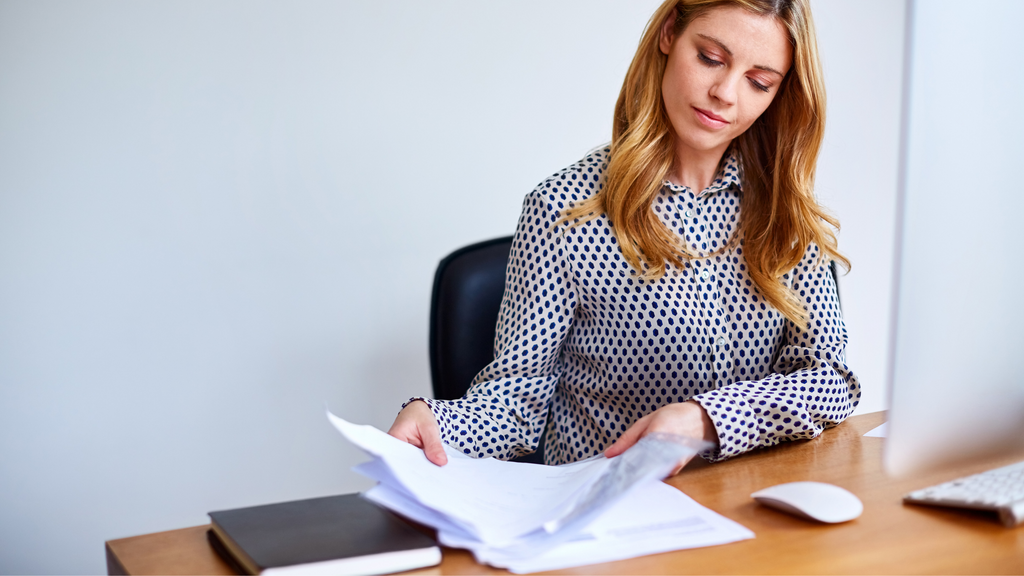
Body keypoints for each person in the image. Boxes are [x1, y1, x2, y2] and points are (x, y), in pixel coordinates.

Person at [389, 0, 859, 469]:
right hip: (607, 518)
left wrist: (706, 419)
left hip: (748, 512)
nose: (726, 93)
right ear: (670, 33)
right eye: (711, 59)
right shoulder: (562, 211)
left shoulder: (784, 212)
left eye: (759, 83)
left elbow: (830, 380)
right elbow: (511, 407)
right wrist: (434, 420)